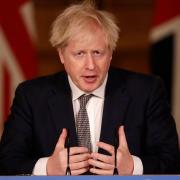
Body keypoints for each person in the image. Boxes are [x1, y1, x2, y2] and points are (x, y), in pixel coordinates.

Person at [0, 0, 179, 176]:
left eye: (97, 53)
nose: (91, 65)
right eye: (79, 54)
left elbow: (172, 160)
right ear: (62, 55)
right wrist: (47, 168)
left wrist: (134, 167)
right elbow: (6, 161)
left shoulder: (146, 91)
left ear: (110, 53)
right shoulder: (31, 96)